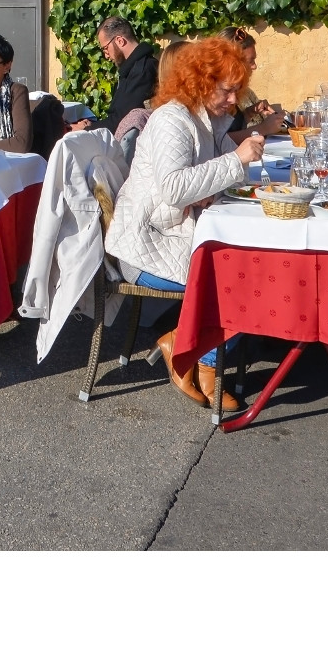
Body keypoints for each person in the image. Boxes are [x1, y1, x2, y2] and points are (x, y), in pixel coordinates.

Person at [107, 35, 265, 410]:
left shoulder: (206, 120)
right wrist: (235, 161)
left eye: (237, 91)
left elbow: (230, 177)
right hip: (145, 247)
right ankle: (204, 362)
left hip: (178, 235)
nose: (233, 100)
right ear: (201, 81)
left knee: (253, 267)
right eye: (228, 91)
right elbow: (176, 188)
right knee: (240, 279)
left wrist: (231, 169)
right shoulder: (172, 121)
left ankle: (180, 342)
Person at [215, 28, 288, 140]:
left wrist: (249, 113)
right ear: (232, 63)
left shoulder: (238, 91)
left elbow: (231, 128)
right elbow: (217, 142)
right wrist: (263, 129)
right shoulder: (211, 92)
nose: (254, 66)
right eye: (250, 61)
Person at [96, 16, 158, 132]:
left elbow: (121, 122)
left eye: (105, 48)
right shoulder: (131, 70)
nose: (106, 55)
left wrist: (86, 128)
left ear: (120, 41)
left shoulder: (143, 71)